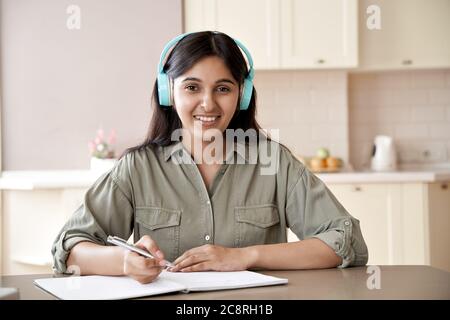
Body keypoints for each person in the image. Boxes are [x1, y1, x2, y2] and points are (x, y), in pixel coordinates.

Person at [52, 31, 368, 284]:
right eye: (192, 87)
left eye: (223, 88)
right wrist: (124, 261)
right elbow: (70, 250)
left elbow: (345, 241)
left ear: (242, 95)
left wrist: (246, 256)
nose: (208, 104)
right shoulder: (138, 168)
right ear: (169, 92)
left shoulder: (274, 162)